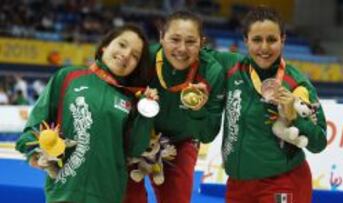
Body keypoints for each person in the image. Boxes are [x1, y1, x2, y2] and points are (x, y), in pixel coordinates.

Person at [16, 24, 157, 203]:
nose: (127, 54)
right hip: (63, 192)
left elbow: (135, 148)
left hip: (108, 195)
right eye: (122, 44)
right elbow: (35, 123)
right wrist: (33, 154)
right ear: (105, 45)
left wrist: (146, 112)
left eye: (135, 56)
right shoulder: (68, 77)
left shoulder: (131, 98)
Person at [213, 6, 327, 203]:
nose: (264, 48)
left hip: (283, 182)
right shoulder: (232, 67)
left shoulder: (296, 83)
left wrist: (295, 117)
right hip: (238, 184)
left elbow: (319, 142)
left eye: (272, 40)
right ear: (245, 41)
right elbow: (195, 53)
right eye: (257, 40)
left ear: (283, 40)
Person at [124, 10, 225, 203]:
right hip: (137, 135)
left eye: (190, 42)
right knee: (129, 197)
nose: (182, 49)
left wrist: (198, 109)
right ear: (162, 37)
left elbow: (207, 135)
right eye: (175, 39)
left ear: (202, 43)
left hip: (181, 140)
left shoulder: (211, 72)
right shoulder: (143, 61)